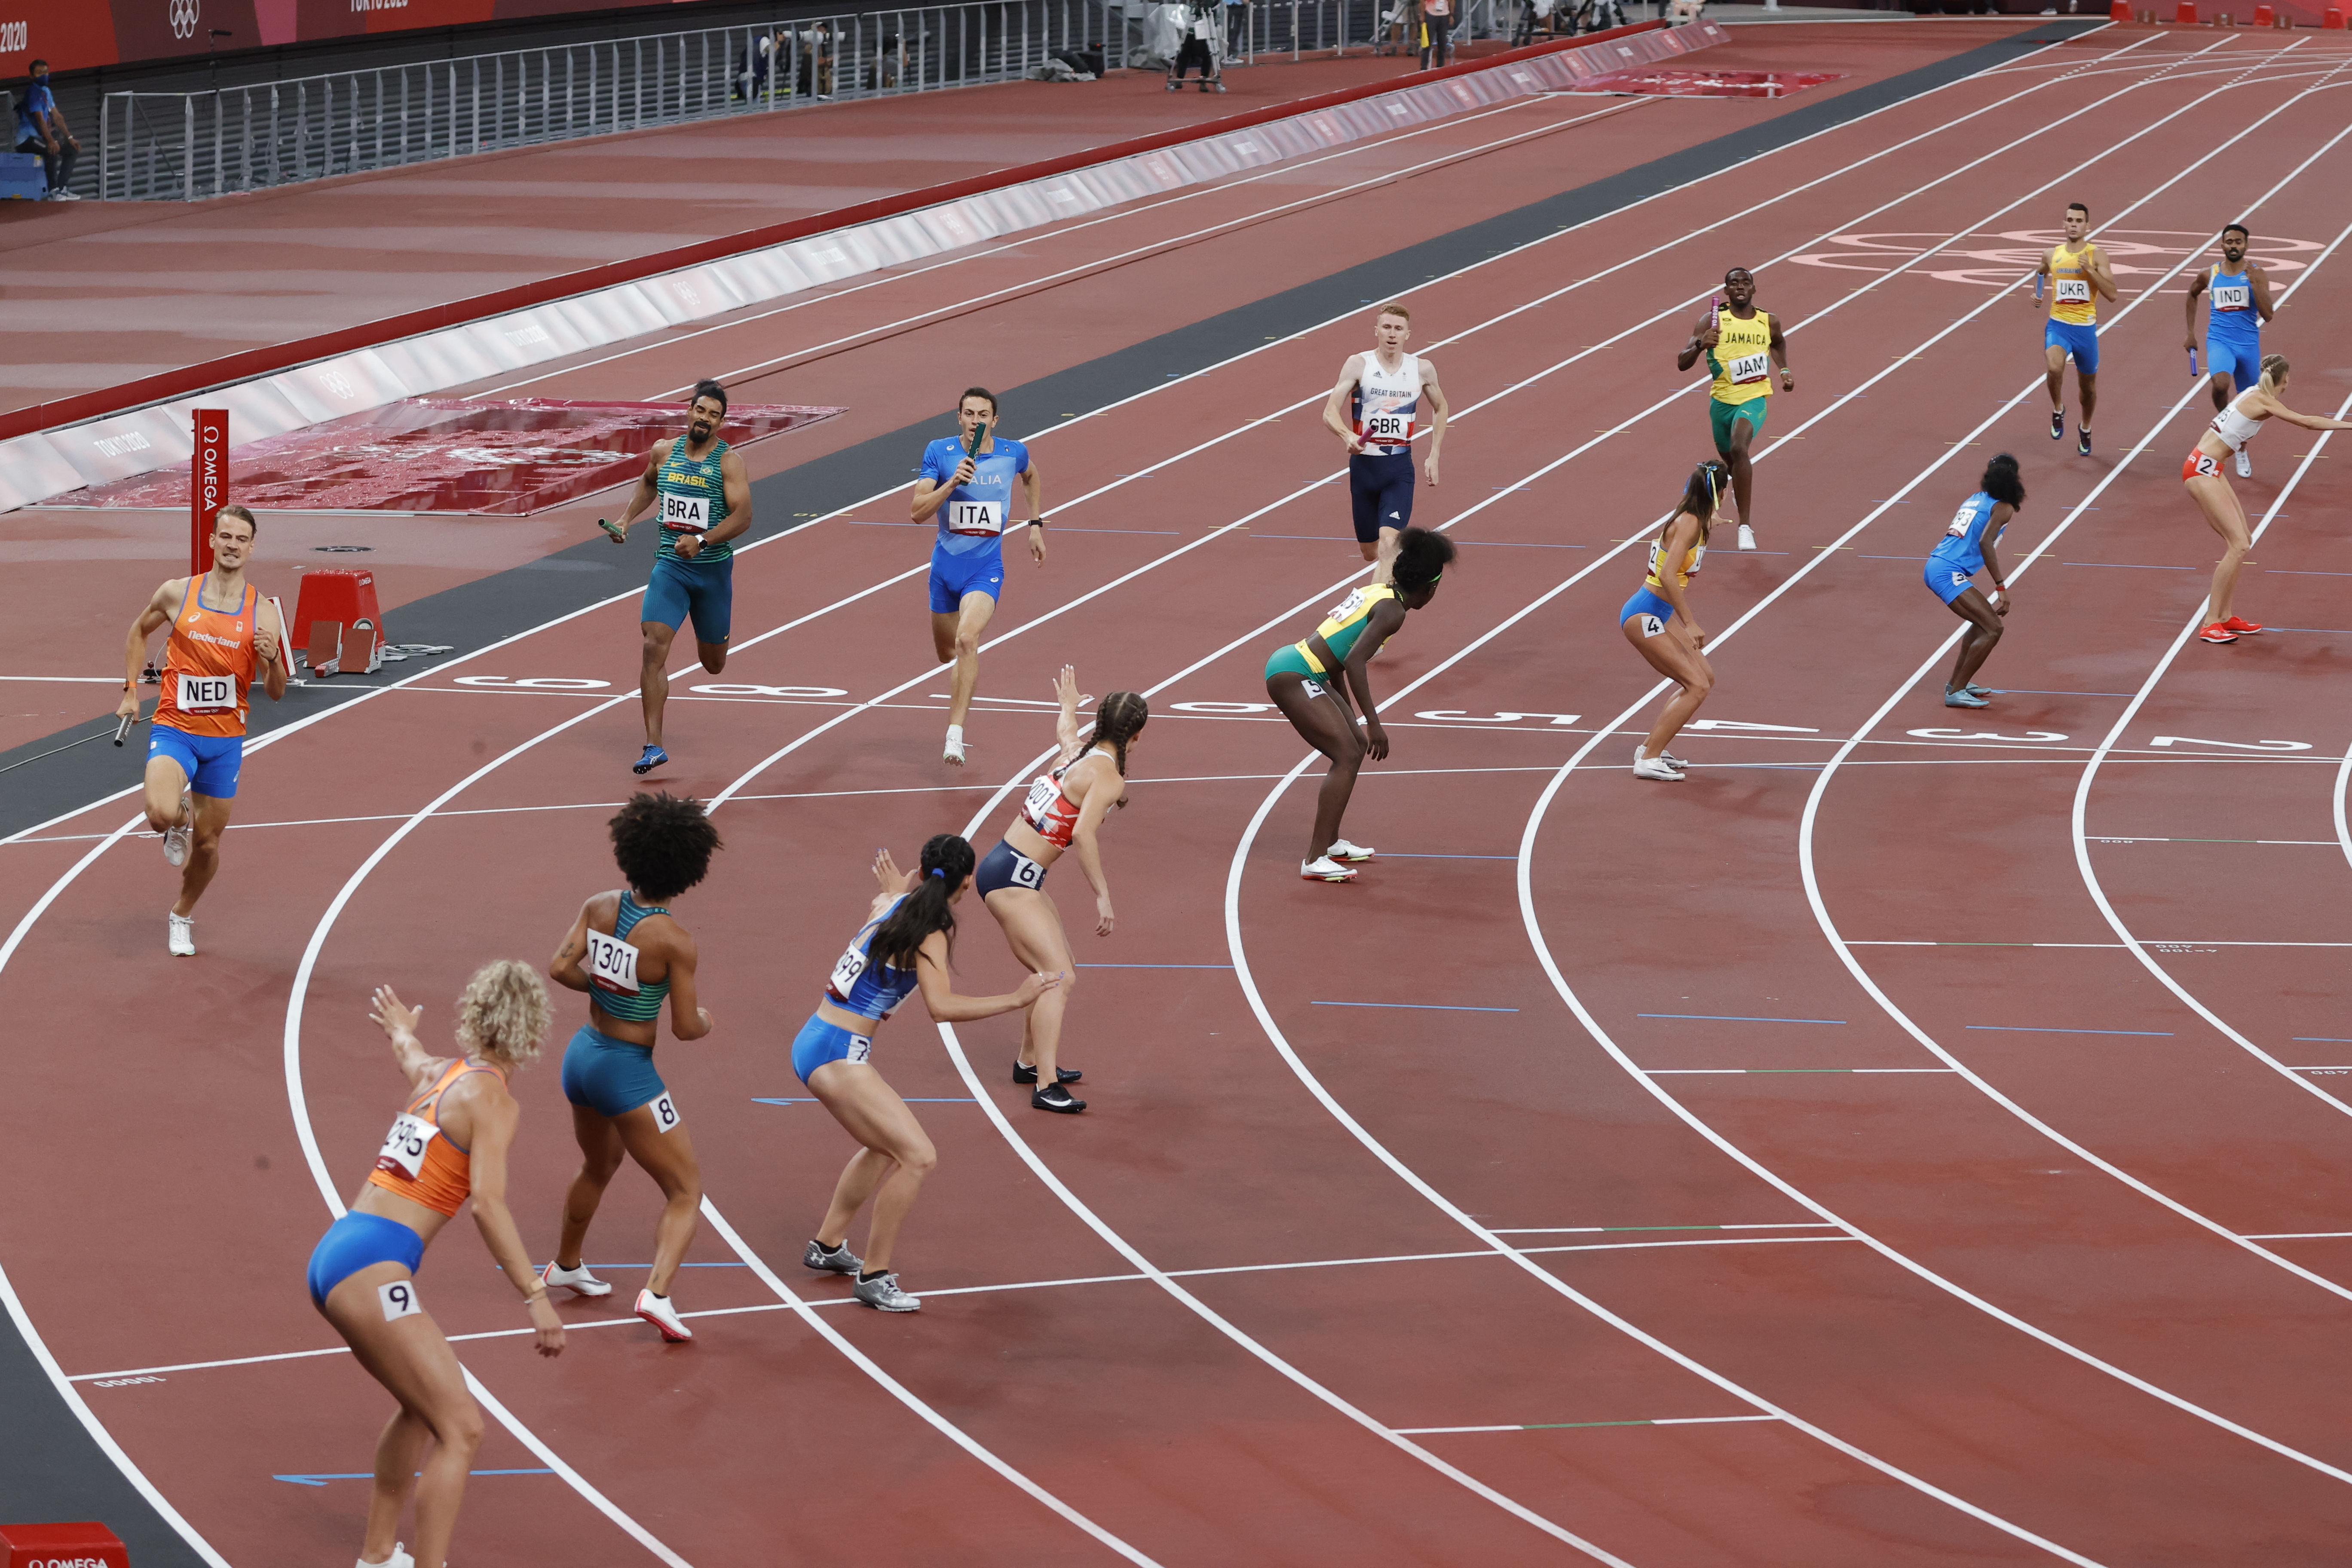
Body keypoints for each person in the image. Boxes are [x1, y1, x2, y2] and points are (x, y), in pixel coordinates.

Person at [306, 963, 561, 1568]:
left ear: (474, 1015)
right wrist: (535, 1294)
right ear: (532, 1033)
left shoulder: (437, 1074)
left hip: (340, 1250)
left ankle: (376, 1556)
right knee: (463, 1429)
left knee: (423, 1410)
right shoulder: (495, 1100)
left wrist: (399, 1026)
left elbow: (408, 1050)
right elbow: (488, 1205)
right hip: (375, 1267)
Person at [793, 837, 1060, 1309]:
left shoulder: (894, 903)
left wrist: (899, 885)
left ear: (920, 871)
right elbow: (941, 1008)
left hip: (817, 1038)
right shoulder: (930, 931)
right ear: (969, 882)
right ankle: (874, 1278)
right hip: (839, 1053)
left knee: (883, 1147)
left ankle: (828, 1245)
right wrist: (1017, 999)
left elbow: (889, 895)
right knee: (918, 1157)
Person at [542, 792, 722, 1343]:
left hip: (582, 1055)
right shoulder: (674, 941)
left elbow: (559, 968)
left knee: (599, 1165)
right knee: (686, 1191)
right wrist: (709, 1020)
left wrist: (605, 987)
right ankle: (658, 1295)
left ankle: (566, 1264)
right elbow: (686, 1028)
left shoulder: (599, 905)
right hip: (627, 1071)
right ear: (690, 869)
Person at [115, 505, 290, 957]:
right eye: (225, 537)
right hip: (175, 729)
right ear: (212, 541)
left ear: (252, 548)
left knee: (208, 847)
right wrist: (132, 692)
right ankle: (179, 818)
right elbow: (138, 632)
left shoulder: (264, 612)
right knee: (158, 813)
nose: (232, 545)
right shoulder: (177, 594)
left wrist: (271, 660)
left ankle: (182, 914)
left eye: (241, 539)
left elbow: (276, 692)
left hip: (225, 741)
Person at [971, 668, 1148, 1109]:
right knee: (1060, 978)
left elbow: (1066, 732)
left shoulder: (1077, 755)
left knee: (1058, 966)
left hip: (1011, 869)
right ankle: (1045, 1087)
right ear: (1137, 736)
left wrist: (1068, 706)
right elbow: (1085, 835)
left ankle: (1029, 1063)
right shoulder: (1109, 776)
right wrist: (1102, 894)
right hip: (1014, 877)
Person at [1264, 527, 1455, 874]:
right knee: (1348, 753)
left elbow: (1338, 652)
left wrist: (1350, 717)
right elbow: (1354, 662)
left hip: (1302, 666)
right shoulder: (1393, 614)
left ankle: (1331, 844)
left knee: (1351, 744)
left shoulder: (1378, 592)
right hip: (1296, 674)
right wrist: (1374, 723)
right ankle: (1314, 859)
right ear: (1431, 587)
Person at [597, 380, 750, 776]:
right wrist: (626, 520)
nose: (705, 419)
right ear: (690, 411)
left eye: (714, 415)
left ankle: (716, 639)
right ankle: (653, 745)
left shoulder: (727, 462)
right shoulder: (664, 452)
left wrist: (701, 539)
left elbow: (743, 517)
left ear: (721, 422)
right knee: (653, 645)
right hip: (671, 568)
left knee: (713, 665)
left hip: (712, 573)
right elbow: (649, 483)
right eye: (701, 410)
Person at [910, 388, 1047, 765]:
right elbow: (917, 512)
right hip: (944, 570)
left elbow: (1031, 476)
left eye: (983, 415)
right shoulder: (940, 452)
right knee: (947, 654)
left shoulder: (1012, 453)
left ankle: (955, 735)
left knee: (967, 640)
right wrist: (952, 483)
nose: (975, 421)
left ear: (995, 420)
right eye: (969, 414)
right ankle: (960, 683)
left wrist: (1035, 524)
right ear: (959, 418)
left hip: (986, 569)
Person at [2182, 354, 2352, 645]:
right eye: (2289, 379)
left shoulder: (2252, 392)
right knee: (2237, 546)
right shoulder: (2263, 401)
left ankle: (2225, 616)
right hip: (2201, 471)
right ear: (2283, 380)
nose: (2289, 384)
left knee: (2244, 540)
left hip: (2212, 468)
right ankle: (2210, 624)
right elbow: (2307, 423)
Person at [1322, 303, 1449, 585]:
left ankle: (1374, 613)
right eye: (1387, 327)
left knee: (1388, 545)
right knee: (1370, 551)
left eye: (1399, 329)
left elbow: (1441, 408)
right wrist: (1348, 436)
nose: (1392, 334)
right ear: (1377, 331)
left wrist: (1434, 455)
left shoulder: (1422, 370)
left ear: (1408, 334)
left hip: (1398, 469)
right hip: (1364, 468)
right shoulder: (1359, 365)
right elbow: (1329, 411)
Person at [1620, 462, 1723, 780]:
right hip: (1645, 612)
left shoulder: (1694, 516)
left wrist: (1710, 516)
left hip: (1659, 613)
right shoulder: (1690, 522)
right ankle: (1648, 760)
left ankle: (1652, 746)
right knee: (1696, 686)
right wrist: (1690, 622)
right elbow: (1667, 575)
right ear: (1719, 493)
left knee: (1705, 677)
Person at [1676, 269, 1792, 551]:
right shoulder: (1711, 321)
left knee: (1740, 449)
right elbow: (1682, 362)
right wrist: (1701, 345)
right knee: (1728, 466)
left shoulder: (1769, 321)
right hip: (1722, 402)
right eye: (1734, 283)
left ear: (1754, 289)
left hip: (1753, 398)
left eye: (1745, 283)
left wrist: (1785, 370)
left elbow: (1778, 343)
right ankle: (1731, 497)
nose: (1740, 287)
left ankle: (1745, 527)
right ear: (1726, 292)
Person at [1924, 454, 2024, 709]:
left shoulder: (1976, 499)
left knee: (1982, 624)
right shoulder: (2003, 507)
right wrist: (2001, 587)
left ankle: (1957, 684)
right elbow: (1985, 542)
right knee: (1994, 628)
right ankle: (1955, 691)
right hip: (1947, 571)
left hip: (1939, 565)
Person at [2183, 222, 2275, 478]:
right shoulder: (2209, 274)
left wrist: (2257, 286)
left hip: (2248, 345)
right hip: (2219, 341)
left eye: (2238, 242)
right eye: (2229, 241)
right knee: (2221, 385)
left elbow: (2268, 316)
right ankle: (2228, 429)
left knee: (2253, 406)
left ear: (2246, 245)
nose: (2233, 246)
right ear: (2222, 245)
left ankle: (2241, 446)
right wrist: (2191, 333)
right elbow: (2192, 295)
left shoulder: (2257, 274)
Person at [2028, 201, 2115, 458]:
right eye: (2070, 220)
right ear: (2064, 224)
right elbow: (2041, 271)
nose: (2074, 225)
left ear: (2088, 226)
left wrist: (2090, 271)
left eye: (2079, 221)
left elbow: (2112, 294)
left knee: (2087, 389)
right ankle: (2058, 409)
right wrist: (2038, 294)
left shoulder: (2097, 255)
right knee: (2054, 367)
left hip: (2085, 330)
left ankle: (2085, 428)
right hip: (2059, 324)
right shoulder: (2051, 254)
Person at [14, 61, 79, 201]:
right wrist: (50, 141)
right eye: (39, 73)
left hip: (41, 138)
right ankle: (53, 191)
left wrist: (70, 138)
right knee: (52, 149)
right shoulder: (33, 93)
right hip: (27, 140)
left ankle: (62, 189)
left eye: (46, 72)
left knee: (72, 150)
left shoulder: (46, 92)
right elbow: (40, 119)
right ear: (31, 76)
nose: (43, 76)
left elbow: (58, 117)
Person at [1167, 0, 1227, 90]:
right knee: (1184, 55)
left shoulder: (1212, 3)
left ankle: (1204, 81)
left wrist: (1203, 8)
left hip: (1204, 32)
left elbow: (1210, 11)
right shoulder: (1194, 3)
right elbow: (1192, 10)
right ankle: (1179, 79)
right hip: (1191, 31)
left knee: (1206, 55)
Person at [1416, 0, 1454, 70]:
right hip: (1430, 15)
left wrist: (1451, 15)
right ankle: (1424, 67)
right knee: (1427, 43)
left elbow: (1452, 1)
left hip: (1444, 16)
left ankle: (1441, 66)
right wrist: (1422, 15)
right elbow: (1422, 2)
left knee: (1443, 42)